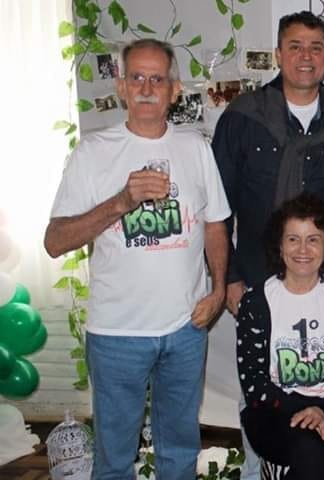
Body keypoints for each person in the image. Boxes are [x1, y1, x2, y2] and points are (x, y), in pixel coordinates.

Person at [44, 39, 230, 478]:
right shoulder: (93, 152)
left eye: (157, 79)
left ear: (174, 90)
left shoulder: (196, 148)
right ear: (122, 87)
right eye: (137, 78)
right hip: (117, 334)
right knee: (114, 459)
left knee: (180, 452)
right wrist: (121, 202)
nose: (147, 88)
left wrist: (219, 290)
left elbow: (215, 225)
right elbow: (55, 241)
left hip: (185, 329)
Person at [212, 12, 324, 477]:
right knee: (261, 392)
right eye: (295, 46)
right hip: (257, 281)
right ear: (279, 54)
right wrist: (229, 278)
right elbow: (216, 208)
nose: (306, 56)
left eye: (316, 47)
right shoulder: (242, 117)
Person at [236, 193, 324, 479]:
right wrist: (307, 411)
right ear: (279, 245)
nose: (303, 249)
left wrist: (323, 411)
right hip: (274, 415)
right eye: (293, 239)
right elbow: (253, 381)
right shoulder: (256, 301)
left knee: (315, 454)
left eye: (313, 239)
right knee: (311, 450)